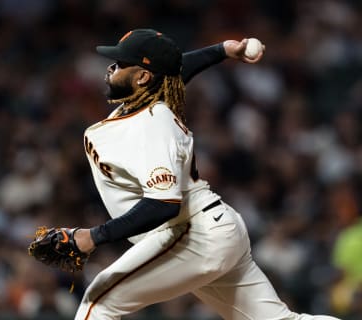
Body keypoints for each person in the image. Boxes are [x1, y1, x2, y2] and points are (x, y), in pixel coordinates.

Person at [71, 29, 340, 320]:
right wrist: (223, 50)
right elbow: (175, 69)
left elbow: (163, 204)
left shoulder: (152, 124)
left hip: (193, 232)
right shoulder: (154, 97)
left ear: (143, 77)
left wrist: (93, 237)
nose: (111, 68)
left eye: (121, 63)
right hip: (213, 228)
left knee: (99, 303)